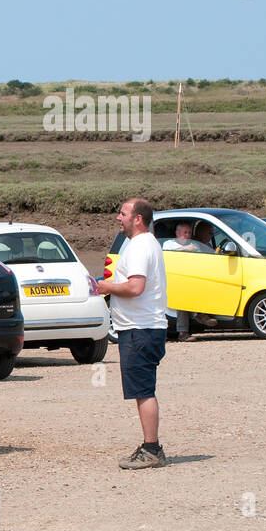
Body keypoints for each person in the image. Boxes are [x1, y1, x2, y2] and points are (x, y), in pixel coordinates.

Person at [97, 198, 169, 469]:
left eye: (124, 213)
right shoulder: (145, 243)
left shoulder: (140, 246)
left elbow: (136, 287)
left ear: (138, 218)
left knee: (143, 390)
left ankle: (152, 448)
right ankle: (150, 446)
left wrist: (106, 287)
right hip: (142, 327)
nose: (119, 217)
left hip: (141, 329)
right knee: (142, 389)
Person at [163, 221, 213, 341]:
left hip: (191, 278)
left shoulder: (195, 245)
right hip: (173, 279)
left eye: (189, 232)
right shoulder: (169, 244)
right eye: (184, 232)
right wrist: (186, 248)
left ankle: (201, 314)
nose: (187, 235)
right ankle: (183, 332)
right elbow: (167, 256)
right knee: (182, 298)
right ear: (177, 233)